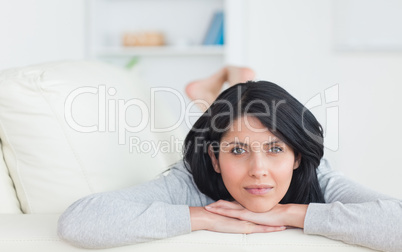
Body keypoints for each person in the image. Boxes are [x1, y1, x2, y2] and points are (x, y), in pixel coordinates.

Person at [58, 67, 402, 252]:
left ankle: (223, 87)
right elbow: (80, 221)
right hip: (210, 151)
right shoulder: (189, 179)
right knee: (236, 114)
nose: (258, 171)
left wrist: (289, 212)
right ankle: (219, 92)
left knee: (245, 109)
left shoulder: (319, 173)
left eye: (276, 149)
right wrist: (204, 218)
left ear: (297, 157)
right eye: (237, 151)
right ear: (216, 159)